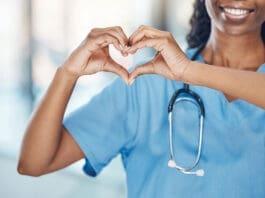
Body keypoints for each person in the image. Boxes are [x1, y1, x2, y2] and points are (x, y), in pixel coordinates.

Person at [18, 0, 265, 197]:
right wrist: (67, 73)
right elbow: (34, 162)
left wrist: (190, 72)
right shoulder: (148, 83)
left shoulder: (175, 71)